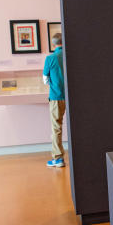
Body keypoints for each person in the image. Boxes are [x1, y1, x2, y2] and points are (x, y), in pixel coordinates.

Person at [43, 32, 66, 168]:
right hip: (71, 96)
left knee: (56, 128)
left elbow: (45, 79)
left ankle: (58, 158)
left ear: (53, 44)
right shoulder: (70, 55)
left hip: (56, 97)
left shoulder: (50, 58)